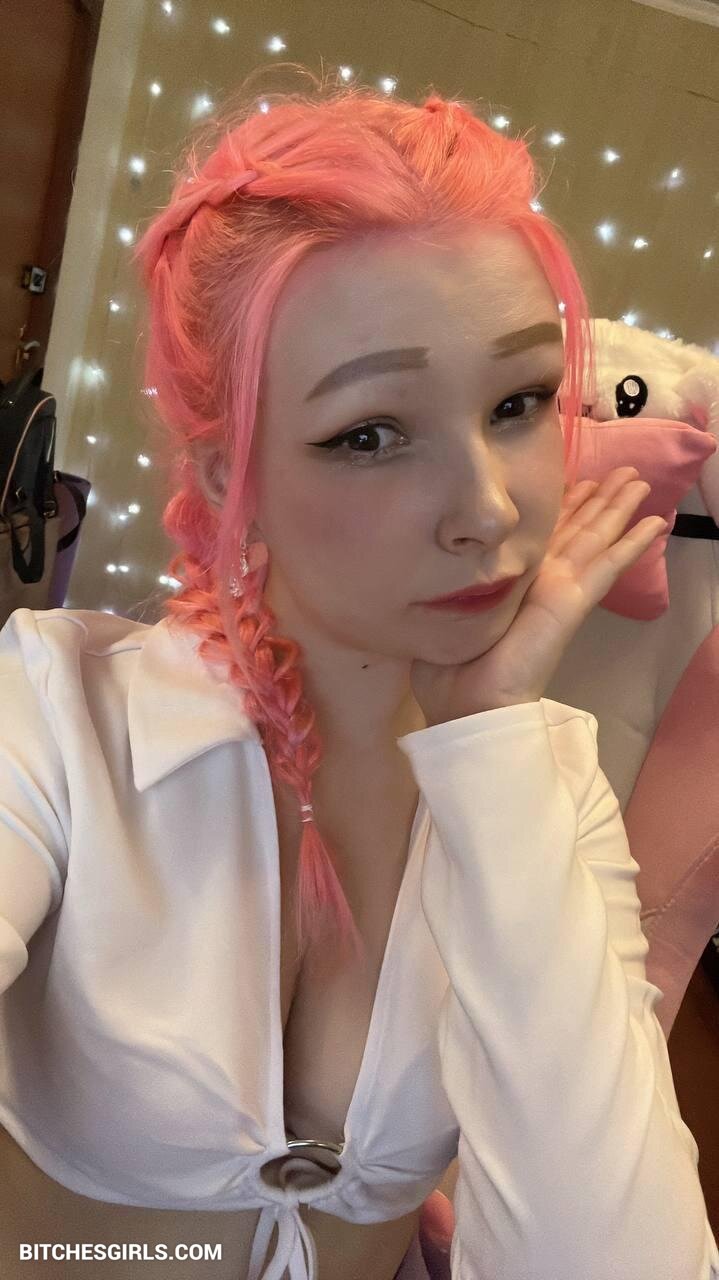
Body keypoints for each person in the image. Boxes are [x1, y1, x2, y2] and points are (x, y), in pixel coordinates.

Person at [0, 64, 716, 1280]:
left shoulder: (547, 786)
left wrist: (491, 744)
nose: (485, 510)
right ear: (228, 475)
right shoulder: (57, 714)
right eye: (370, 433)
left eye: (518, 401)